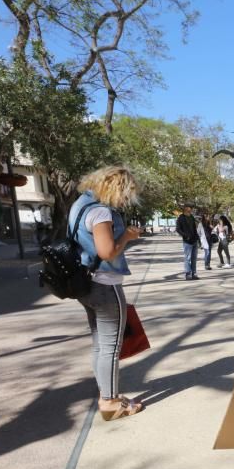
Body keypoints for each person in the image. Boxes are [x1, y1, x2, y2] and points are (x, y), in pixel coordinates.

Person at [70, 166, 144, 421]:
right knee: (111, 346)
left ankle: (108, 393)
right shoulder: (101, 211)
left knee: (101, 345)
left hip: (87, 284)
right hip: (105, 284)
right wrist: (127, 236)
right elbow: (107, 251)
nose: (125, 199)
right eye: (126, 193)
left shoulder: (80, 204)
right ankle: (110, 402)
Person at [175, 204, 200, 280]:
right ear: (185, 209)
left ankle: (194, 273)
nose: (191, 210)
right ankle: (188, 274)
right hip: (187, 241)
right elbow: (178, 229)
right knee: (187, 258)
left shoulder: (192, 217)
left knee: (194, 258)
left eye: (191, 209)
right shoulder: (181, 218)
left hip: (194, 240)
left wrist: (197, 238)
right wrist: (185, 236)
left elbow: (194, 228)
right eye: (189, 209)